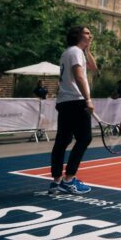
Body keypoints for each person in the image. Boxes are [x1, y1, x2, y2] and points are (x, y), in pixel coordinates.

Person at [49, 26, 97, 195]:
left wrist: (88, 50)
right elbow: (80, 75)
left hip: (64, 102)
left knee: (62, 141)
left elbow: (93, 68)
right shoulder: (76, 52)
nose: (90, 35)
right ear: (77, 35)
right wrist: (88, 99)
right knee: (84, 138)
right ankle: (69, 180)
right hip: (76, 101)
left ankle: (56, 182)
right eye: (86, 33)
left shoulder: (70, 52)